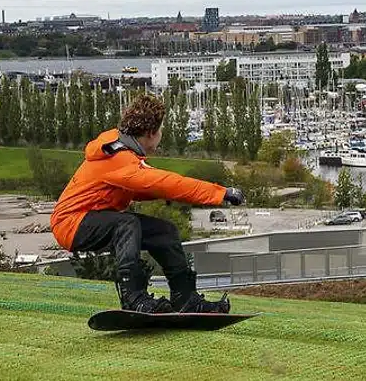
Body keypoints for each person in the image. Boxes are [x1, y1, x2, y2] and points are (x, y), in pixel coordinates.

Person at [50, 94, 245, 313]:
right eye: (161, 131)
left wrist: (171, 194)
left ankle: (186, 298)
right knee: (127, 223)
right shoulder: (118, 158)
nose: (161, 136)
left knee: (165, 232)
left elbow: (143, 188)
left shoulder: (123, 151)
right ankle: (133, 298)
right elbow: (166, 182)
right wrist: (221, 193)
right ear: (151, 133)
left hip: (93, 217)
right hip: (70, 224)